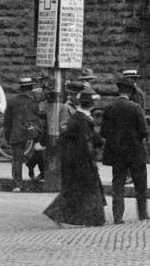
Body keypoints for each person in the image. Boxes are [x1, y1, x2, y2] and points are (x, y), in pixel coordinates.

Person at [43, 90, 106, 226]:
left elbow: (91, 138)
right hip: (82, 161)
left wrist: (101, 142)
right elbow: (86, 141)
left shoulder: (79, 117)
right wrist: (93, 158)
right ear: (91, 104)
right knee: (81, 190)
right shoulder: (82, 119)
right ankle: (91, 219)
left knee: (79, 190)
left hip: (76, 160)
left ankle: (89, 218)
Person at [101, 75, 149, 223]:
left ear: (119, 90)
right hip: (135, 152)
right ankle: (142, 214)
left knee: (118, 185)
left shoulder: (109, 108)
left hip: (117, 153)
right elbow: (143, 131)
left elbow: (103, 132)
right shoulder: (136, 108)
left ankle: (117, 216)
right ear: (131, 92)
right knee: (140, 184)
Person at [4, 77, 43, 192]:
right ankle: (32, 165)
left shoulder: (12, 101)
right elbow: (38, 117)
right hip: (32, 132)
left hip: (17, 133)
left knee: (17, 160)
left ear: (20, 88)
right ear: (31, 88)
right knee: (38, 152)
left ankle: (17, 185)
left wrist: (7, 136)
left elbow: (7, 121)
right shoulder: (34, 101)